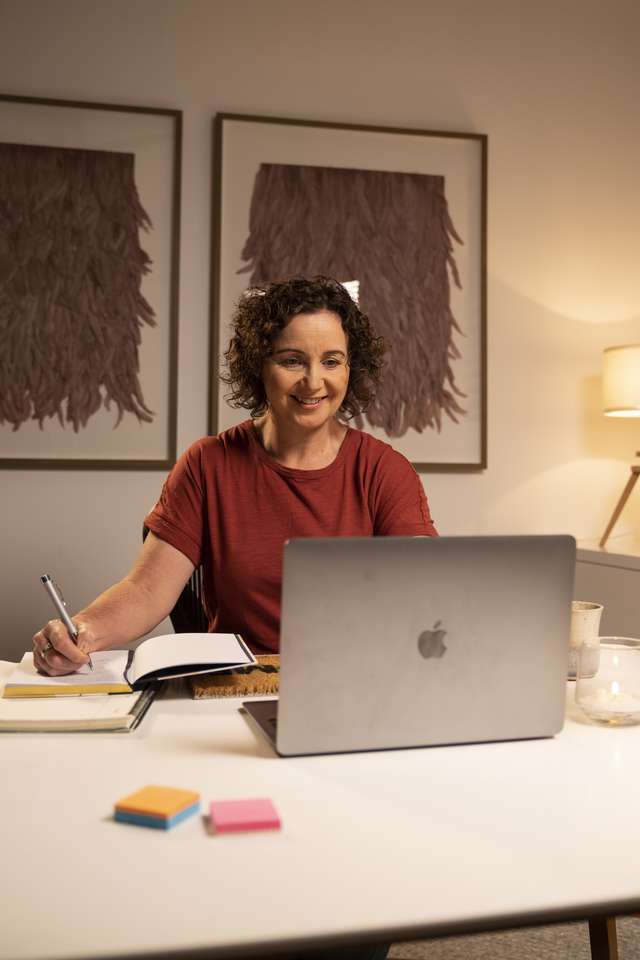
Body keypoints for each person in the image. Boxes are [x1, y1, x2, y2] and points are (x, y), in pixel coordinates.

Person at [33, 275, 437, 675]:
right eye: (292, 360)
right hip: (233, 690)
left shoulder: (385, 471)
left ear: (351, 367)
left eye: (331, 361)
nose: (314, 381)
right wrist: (80, 633)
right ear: (258, 366)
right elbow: (146, 591)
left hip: (354, 684)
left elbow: (425, 595)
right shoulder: (208, 464)